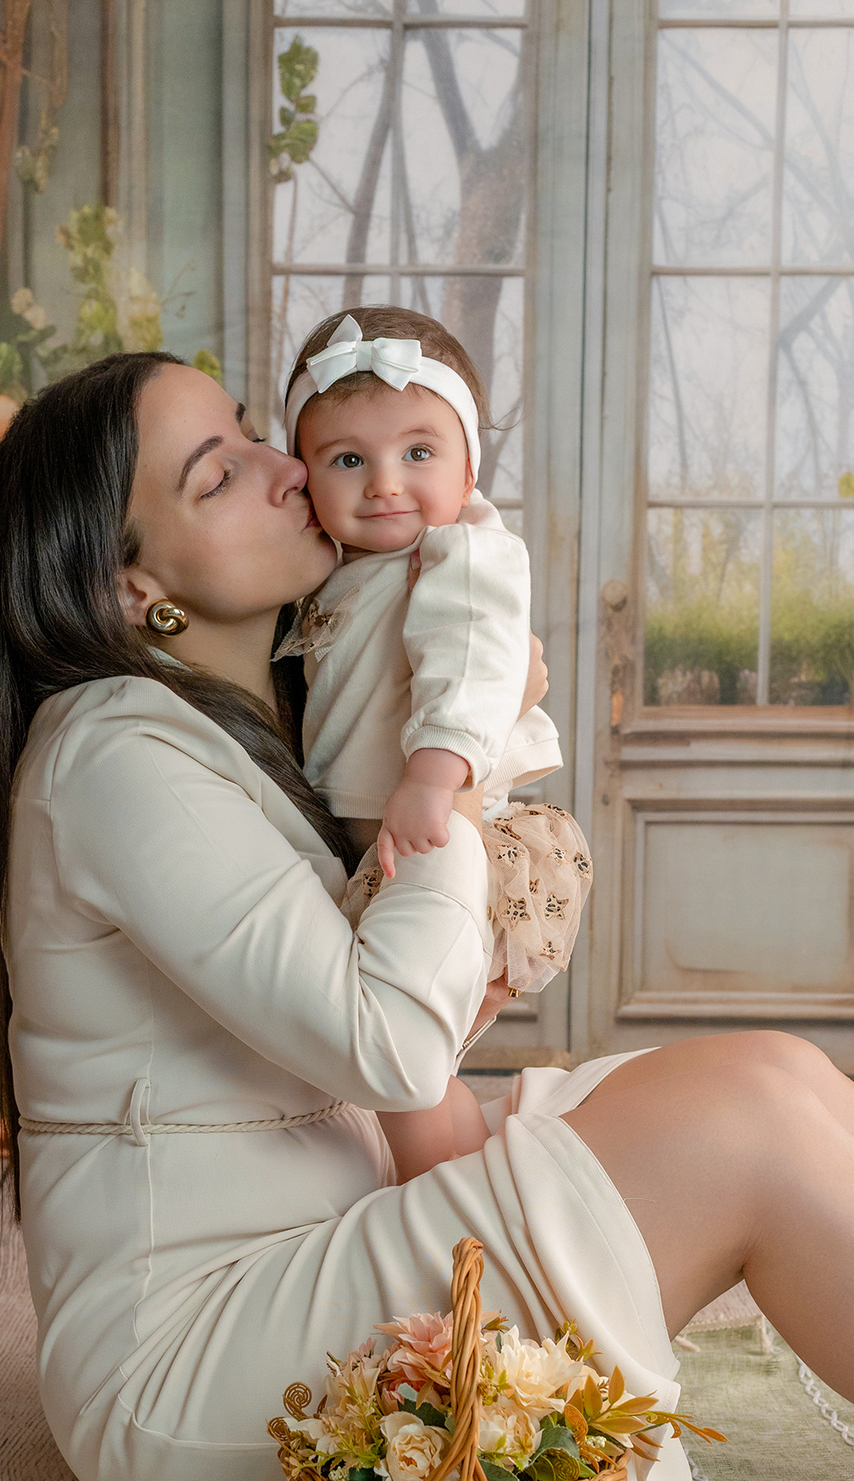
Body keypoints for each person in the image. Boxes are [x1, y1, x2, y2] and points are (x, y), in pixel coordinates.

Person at [0, 350, 854, 1481]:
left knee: (785, 1074)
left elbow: (382, 1029)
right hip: (194, 1367)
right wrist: (458, 779)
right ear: (131, 584)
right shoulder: (109, 754)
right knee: (748, 1116)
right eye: (221, 474)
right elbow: (390, 1043)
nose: (286, 470)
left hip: (315, 1241)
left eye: (256, 435)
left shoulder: (227, 729)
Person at [280, 306, 592, 1177]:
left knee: (404, 1081)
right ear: (304, 472)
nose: (385, 483)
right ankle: (476, 1190)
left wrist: (433, 771)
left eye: (419, 453)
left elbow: (472, 662)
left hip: (439, 827)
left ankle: (445, 1201)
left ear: (467, 467)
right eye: (349, 459)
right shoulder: (338, 570)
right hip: (377, 831)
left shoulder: (458, 556)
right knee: (409, 1073)